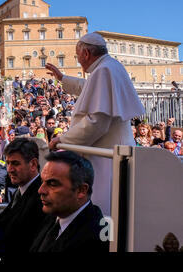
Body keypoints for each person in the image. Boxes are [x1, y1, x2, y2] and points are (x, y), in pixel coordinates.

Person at [46, 32, 145, 215]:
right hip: (112, 152)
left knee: (106, 215)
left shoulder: (104, 70)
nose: (79, 61)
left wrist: (63, 140)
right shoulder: (109, 66)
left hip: (106, 158)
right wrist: (62, 78)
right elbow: (87, 88)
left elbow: (97, 123)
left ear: (86, 54)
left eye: (78, 57)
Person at [30, 151, 109, 252]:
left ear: (81, 190)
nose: (41, 190)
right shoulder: (54, 214)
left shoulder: (96, 238)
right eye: (42, 181)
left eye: (52, 183)